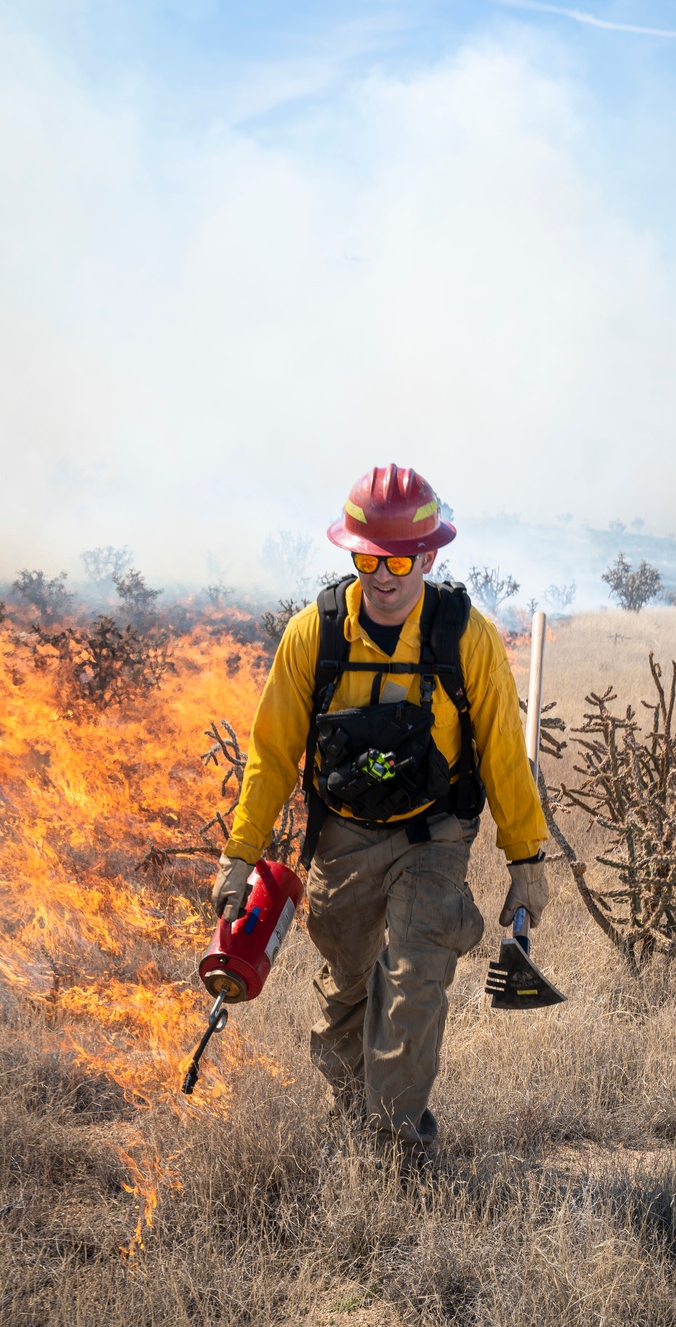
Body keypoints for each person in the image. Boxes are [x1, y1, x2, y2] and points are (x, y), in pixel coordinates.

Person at [212, 464, 549, 1153]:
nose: (384, 575)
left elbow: (503, 757)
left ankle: (400, 1149)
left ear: (428, 555)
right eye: (368, 558)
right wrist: (239, 854)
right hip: (344, 840)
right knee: (345, 1000)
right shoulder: (316, 636)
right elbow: (272, 755)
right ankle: (355, 1122)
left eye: (400, 559)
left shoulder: (466, 638)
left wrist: (527, 859)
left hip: (434, 836)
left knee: (412, 983)